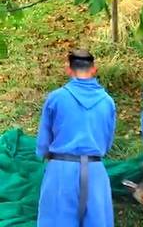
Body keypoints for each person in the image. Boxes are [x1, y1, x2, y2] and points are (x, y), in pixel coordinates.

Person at [36, 49, 116, 227]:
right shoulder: (107, 101)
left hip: (61, 170)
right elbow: (108, 140)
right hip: (96, 172)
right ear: (94, 69)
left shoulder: (56, 98)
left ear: (68, 69)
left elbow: (43, 143)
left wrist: (44, 154)